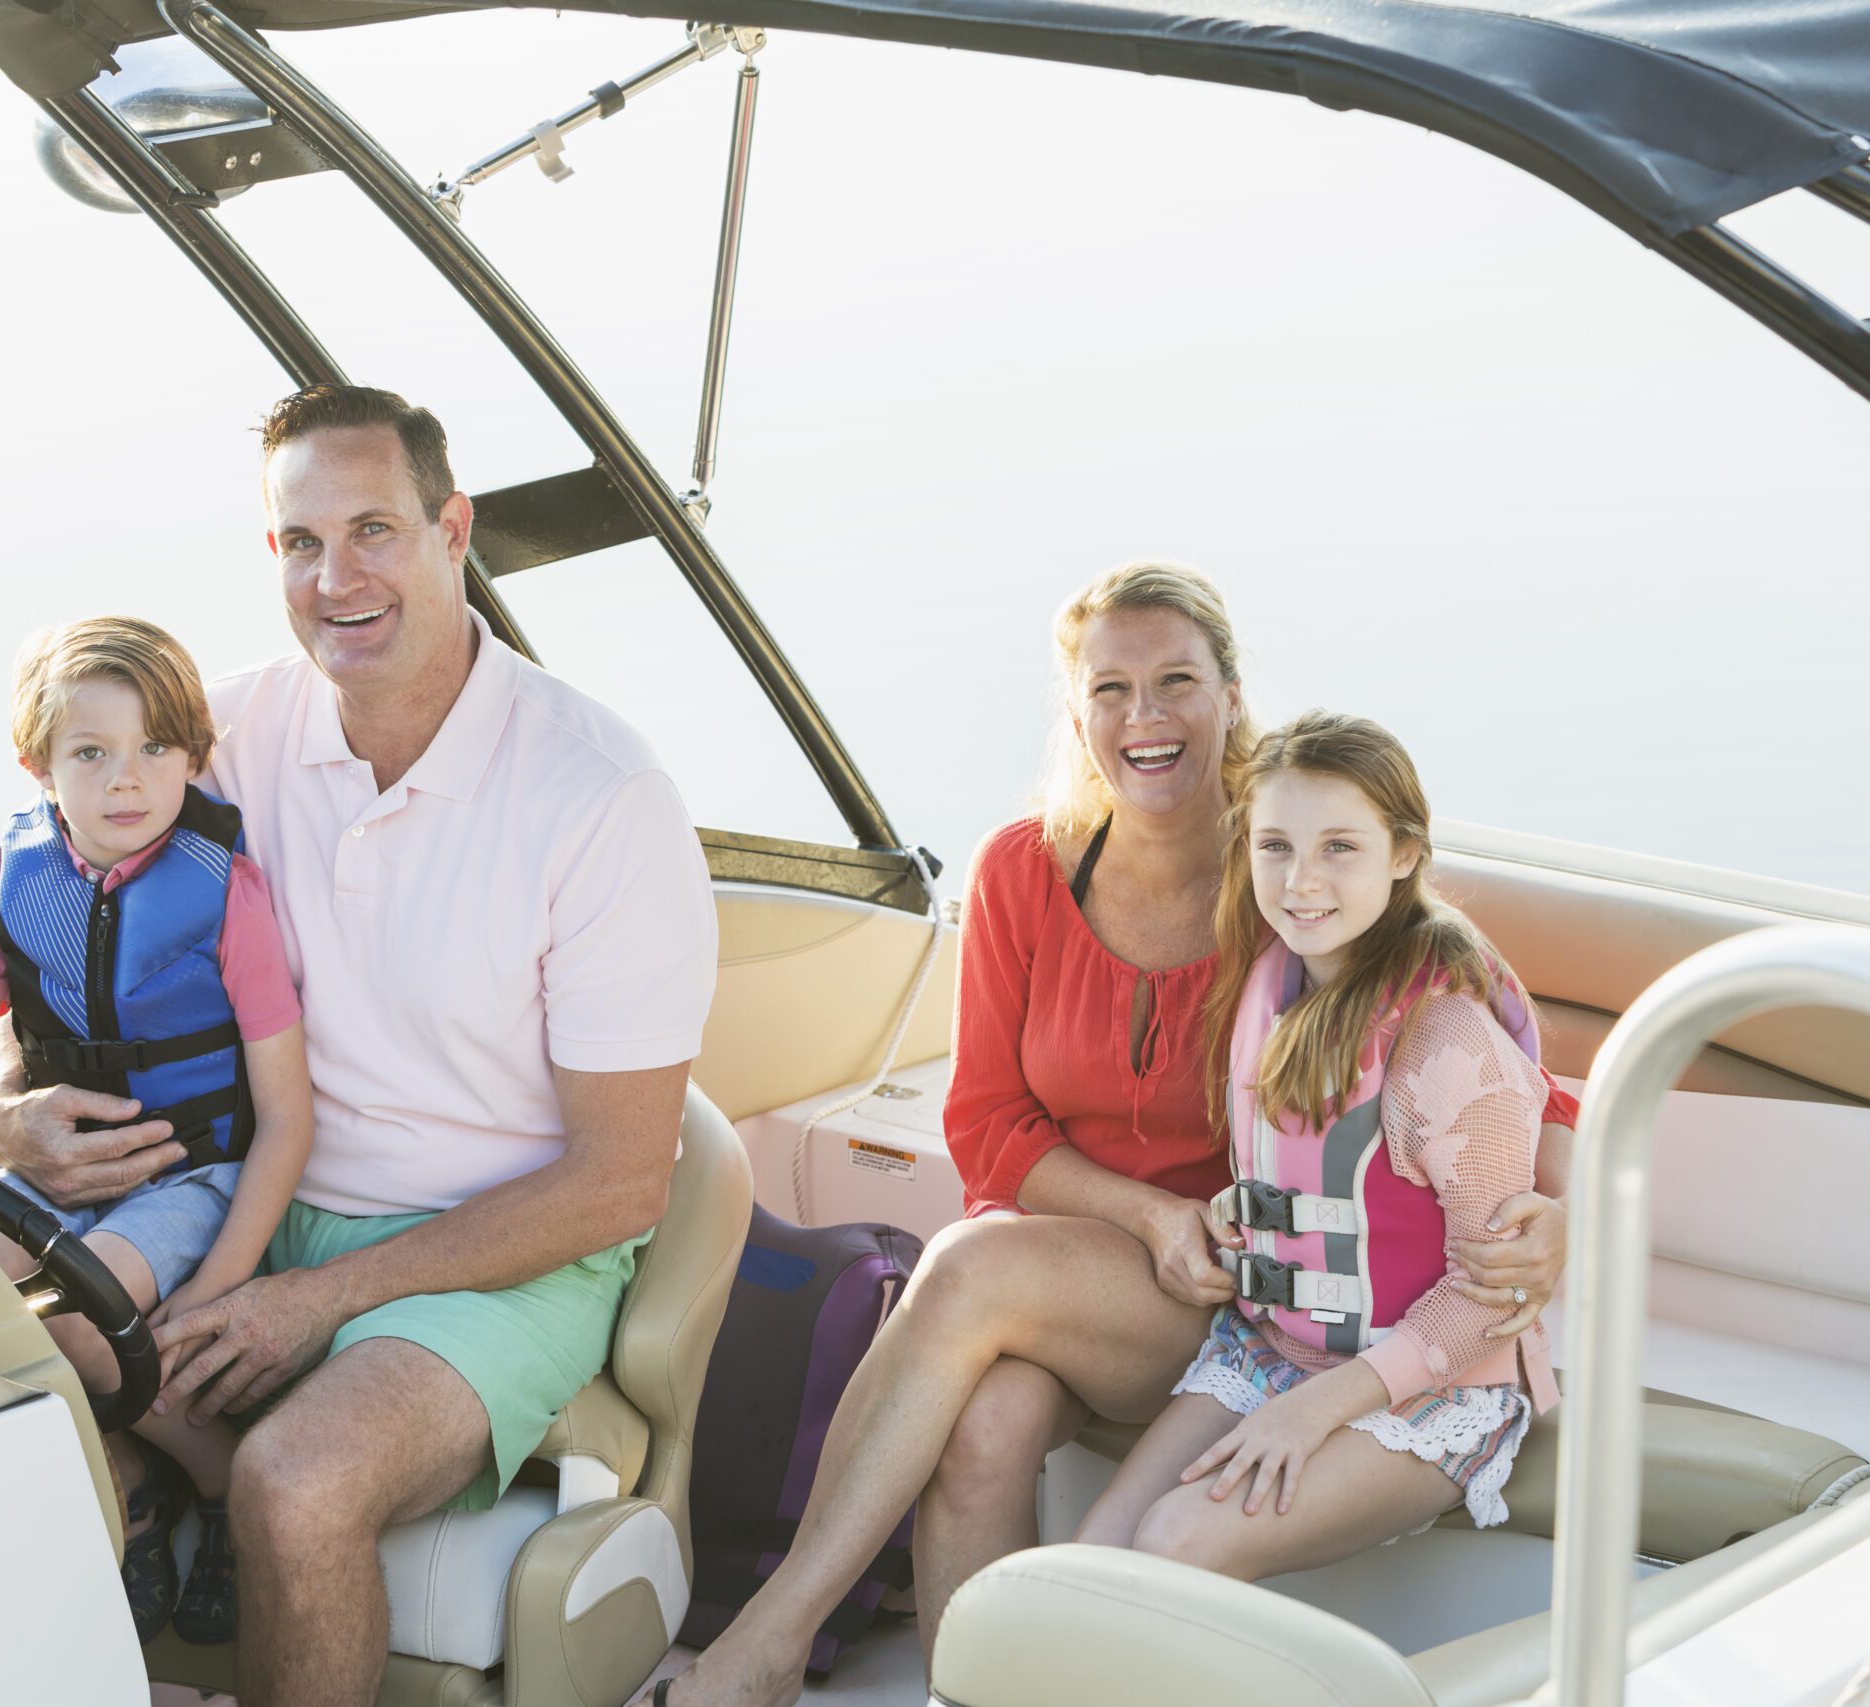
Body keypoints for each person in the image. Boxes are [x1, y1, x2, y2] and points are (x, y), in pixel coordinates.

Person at [643, 563, 1575, 1707]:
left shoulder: (1279, 877)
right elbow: (985, 1126)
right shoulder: (1021, 873)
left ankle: (767, 1644)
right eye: (1110, 689)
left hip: (1232, 1293)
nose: (1144, 717)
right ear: (1075, 714)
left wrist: (1558, 1217)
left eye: (1177, 680)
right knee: (984, 1421)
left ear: (1231, 698)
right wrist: (1147, 1214)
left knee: (971, 1265)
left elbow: (1497, 1068)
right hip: (1087, 1271)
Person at [0, 385, 718, 1705]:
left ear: (453, 529)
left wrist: (313, 1301)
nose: (338, 576)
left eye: (374, 529)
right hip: (261, 1202)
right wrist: (4, 1107)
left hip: (502, 1258)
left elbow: (619, 1183)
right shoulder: (222, 738)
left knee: (297, 1474)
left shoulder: (601, 794)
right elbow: (32, 946)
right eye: (302, 542)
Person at [0, 615, 315, 1646]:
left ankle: (213, 1493)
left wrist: (222, 1284)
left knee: (76, 1317)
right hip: (53, 1179)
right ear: (38, 763)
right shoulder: (13, 878)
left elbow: (289, 1118)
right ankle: (127, 1472)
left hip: (191, 1178)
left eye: (155, 751)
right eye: (91, 754)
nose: (127, 782)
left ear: (192, 757)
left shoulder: (228, 897)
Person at [1072, 709, 1556, 1572]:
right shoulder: (1276, 981)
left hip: (1431, 1387)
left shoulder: (1445, 1038)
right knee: (1093, 1554)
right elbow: (1326, 1181)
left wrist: (1318, 1408)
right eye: (1275, 846)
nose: (1301, 880)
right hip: (1268, 1348)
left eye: (1340, 847)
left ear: (1403, 853)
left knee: (1174, 1543)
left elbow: (1489, 1301)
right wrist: (1245, 1216)